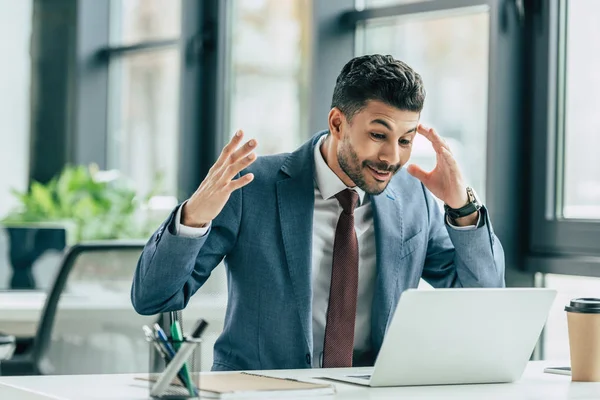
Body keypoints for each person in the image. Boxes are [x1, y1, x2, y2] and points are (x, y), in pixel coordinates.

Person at [131, 54, 505, 371]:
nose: (392, 157)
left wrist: (463, 207)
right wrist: (194, 216)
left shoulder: (413, 197)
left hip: (370, 391)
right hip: (261, 392)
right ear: (338, 123)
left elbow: (484, 298)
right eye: (379, 135)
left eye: (405, 140)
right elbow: (153, 298)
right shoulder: (252, 187)